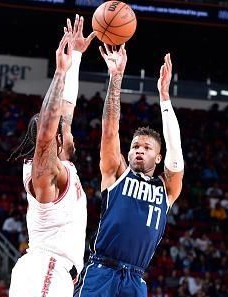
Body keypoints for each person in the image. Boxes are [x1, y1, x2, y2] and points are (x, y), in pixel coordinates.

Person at [74, 49, 184, 297]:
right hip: (101, 269)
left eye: (146, 148)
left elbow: (176, 151)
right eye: (135, 146)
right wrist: (116, 77)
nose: (138, 151)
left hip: (135, 278)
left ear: (158, 157)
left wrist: (165, 98)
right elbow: (110, 131)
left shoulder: (166, 189)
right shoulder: (116, 173)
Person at [8, 15, 95, 297]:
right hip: (45, 270)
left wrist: (78, 57)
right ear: (55, 140)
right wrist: (59, 73)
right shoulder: (45, 172)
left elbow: (66, 108)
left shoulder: (63, 161)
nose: (71, 127)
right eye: (63, 129)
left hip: (53, 273)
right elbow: (48, 128)